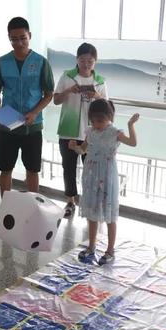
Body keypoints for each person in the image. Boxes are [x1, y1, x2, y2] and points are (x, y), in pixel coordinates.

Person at [70, 99, 139, 265]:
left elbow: (133, 143)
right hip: (91, 175)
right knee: (92, 213)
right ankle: (91, 246)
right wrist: (74, 147)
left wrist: (130, 125)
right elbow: (83, 150)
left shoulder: (114, 132)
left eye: (99, 120)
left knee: (109, 214)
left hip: (107, 177)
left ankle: (110, 250)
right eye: (93, 121)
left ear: (109, 117)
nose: (96, 124)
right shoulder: (91, 131)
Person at [0, 17, 54, 197]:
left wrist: (34, 112)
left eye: (22, 38)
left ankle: (32, 206)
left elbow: (49, 94)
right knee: (5, 168)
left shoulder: (41, 62)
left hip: (32, 126)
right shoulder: (2, 62)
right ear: (9, 38)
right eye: (14, 39)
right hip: (7, 125)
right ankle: (6, 206)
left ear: (29, 36)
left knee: (32, 170)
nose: (19, 43)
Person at [53, 42, 107, 218]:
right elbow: (56, 100)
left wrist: (97, 96)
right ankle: (70, 202)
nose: (86, 64)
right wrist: (69, 90)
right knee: (68, 168)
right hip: (68, 131)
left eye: (90, 61)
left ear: (95, 62)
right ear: (77, 59)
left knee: (91, 172)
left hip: (92, 134)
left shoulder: (100, 81)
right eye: (82, 60)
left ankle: (91, 204)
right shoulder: (67, 76)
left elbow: (107, 108)